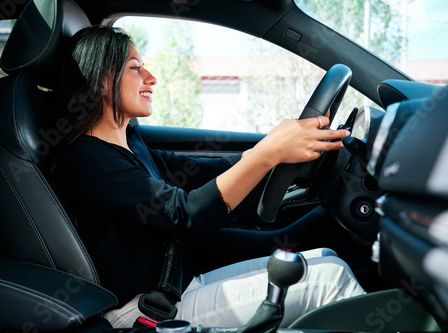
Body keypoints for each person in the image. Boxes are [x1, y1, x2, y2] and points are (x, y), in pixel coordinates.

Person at [52, 25, 365, 328]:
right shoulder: (86, 159)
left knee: (325, 257)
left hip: (176, 286)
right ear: (103, 81)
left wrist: (282, 150)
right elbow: (184, 214)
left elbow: (210, 172)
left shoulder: (133, 145)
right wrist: (267, 152)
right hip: (144, 310)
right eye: (136, 68)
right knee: (330, 279)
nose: (152, 78)